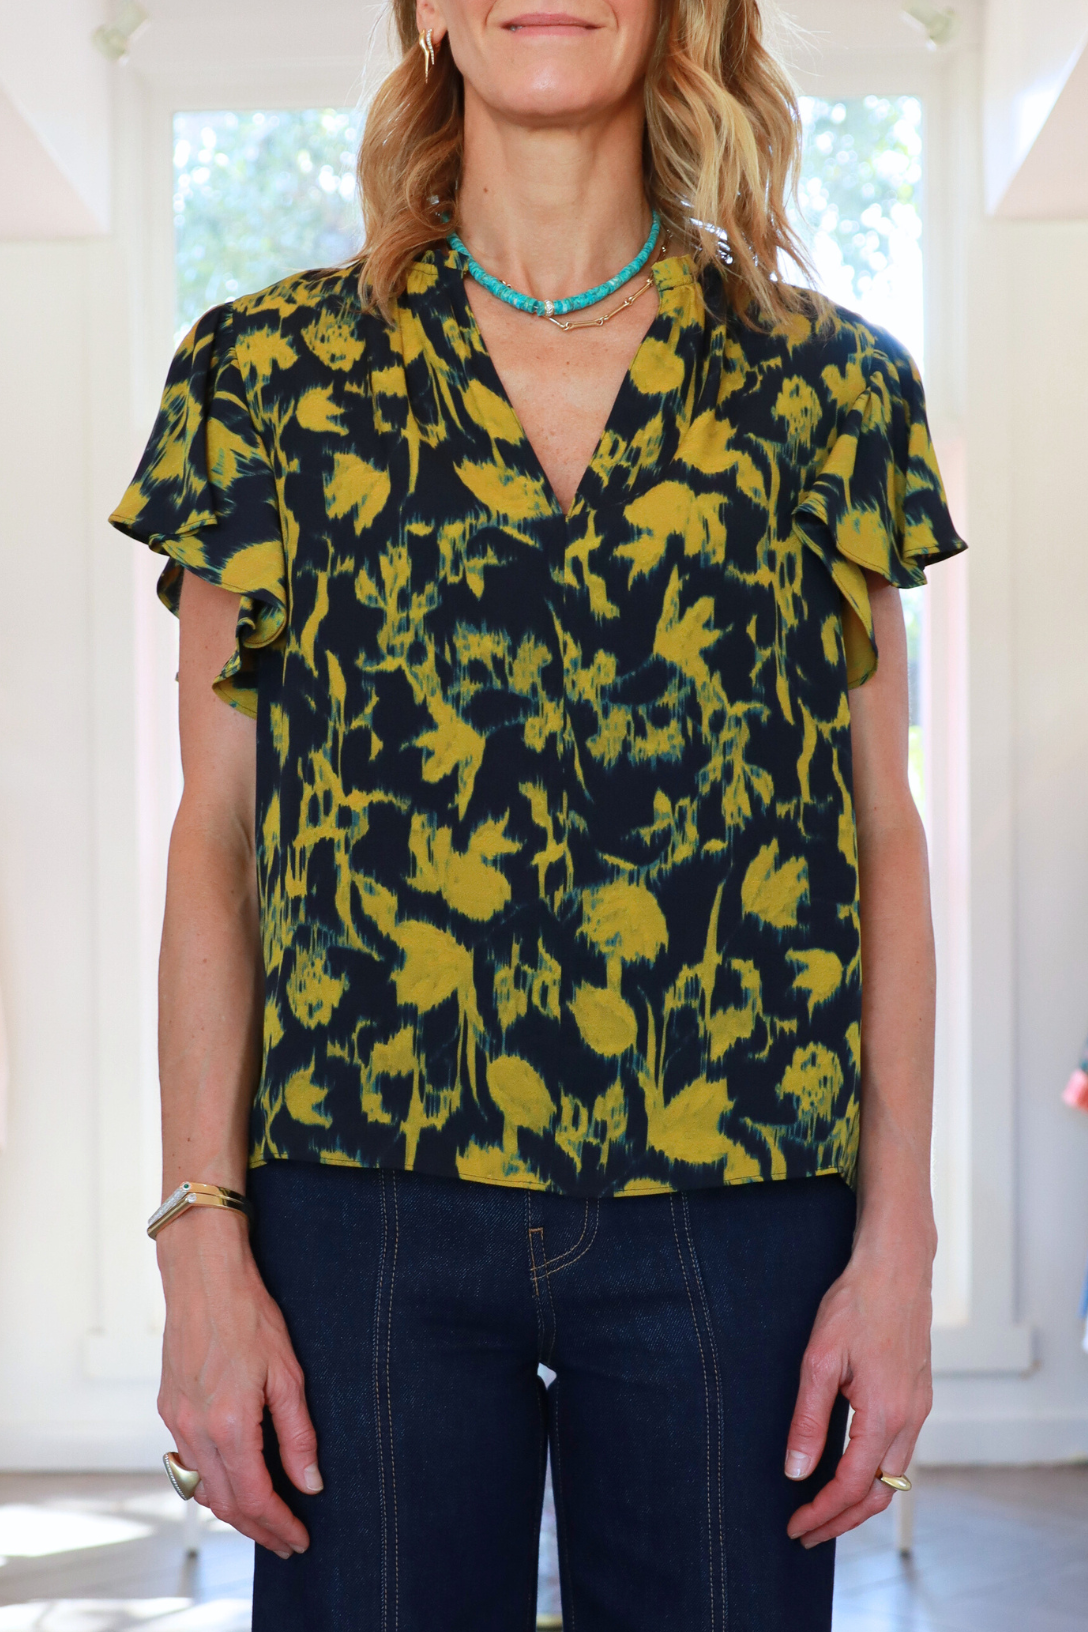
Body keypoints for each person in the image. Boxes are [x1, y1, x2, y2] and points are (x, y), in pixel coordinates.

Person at [111, 1, 965, 1627]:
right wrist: (199, 1240)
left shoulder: (831, 389)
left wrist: (899, 1244)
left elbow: (884, 835)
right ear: (429, 11)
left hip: (740, 1211)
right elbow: (215, 836)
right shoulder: (266, 378)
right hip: (360, 1211)